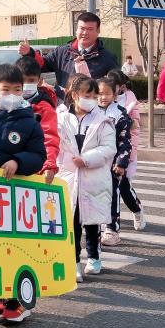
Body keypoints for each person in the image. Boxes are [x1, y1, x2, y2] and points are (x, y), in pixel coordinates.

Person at [0, 64, 47, 324]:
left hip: (16, 199)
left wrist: (18, 162)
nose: (13, 94)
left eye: (18, 89)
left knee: (15, 248)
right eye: (6, 89)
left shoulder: (29, 122)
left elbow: (38, 155)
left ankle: (18, 301)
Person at [55, 75, 116, 282]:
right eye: (86, 95)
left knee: (91, 222)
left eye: (94, 95)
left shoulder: (103, 120)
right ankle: (73, 263)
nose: (91, 99)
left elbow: (109, 148)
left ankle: (94, 256)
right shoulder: (61, 118)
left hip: (93, 178)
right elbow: (55, 145)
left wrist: (87, 159)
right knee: (70, 223)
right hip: (68, 178)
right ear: (74, 95)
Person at [18, 12, 120, 87]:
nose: (85, 33)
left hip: (93, 109)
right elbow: (43, 64)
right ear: (76, 30)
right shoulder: (62, 52)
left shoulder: (107, 57)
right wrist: (29, 53)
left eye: (89, 29)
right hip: (64, 108)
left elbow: (115, 83)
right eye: (82, 28)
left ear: (98, 31)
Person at [95, 77, 140, 247]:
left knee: (112, 195)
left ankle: (112, 229)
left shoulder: (120, 114)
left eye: (107, 93)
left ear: (115, 94)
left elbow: (125, 141)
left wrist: (121, 162)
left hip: (113, 164)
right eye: (99, 93)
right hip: (94, 163)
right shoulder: (91, 112)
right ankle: (94, 226)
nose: (103, 97)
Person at [107, 69, 146, 231]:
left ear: (121, 87)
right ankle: (109, 225)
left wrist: (123, 120)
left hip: (125, 152)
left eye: (113, 86)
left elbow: (135, 125)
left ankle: (137, 210)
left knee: (123, 188)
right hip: (107, 152)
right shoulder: (103, 99)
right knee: (109, 189)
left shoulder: (130, 101)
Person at [15, 56, 61, 186]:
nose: (26, 85)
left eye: (31, 80)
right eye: (22, 80)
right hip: (7, 166)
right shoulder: (6, 102)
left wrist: (48, 165)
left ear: (39, 81)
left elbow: (49, 137)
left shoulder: (44, 108)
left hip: (34, 169)